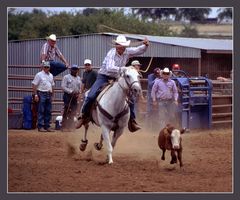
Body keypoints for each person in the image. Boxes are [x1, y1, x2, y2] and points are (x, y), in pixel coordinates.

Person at [76, 35, 149, 132]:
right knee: (90, 95)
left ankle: (132, 120)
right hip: (104, 76)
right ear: (116, 46)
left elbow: (139, 50)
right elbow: (109, 68)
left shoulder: (127, 52)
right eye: (120, 45)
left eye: (124, 46)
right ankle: (83, 116)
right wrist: (122, 69)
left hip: (117, 77)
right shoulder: (111, 53)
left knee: (130, 97)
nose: (122, 47)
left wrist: (145, 45)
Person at [32, 61, 55, 132]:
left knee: (48, 111)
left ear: (49, 68)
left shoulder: (51, 75)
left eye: (47, 67)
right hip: (41, 93)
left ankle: (47, 126)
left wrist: (52, 95)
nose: (46, 68)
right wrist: (35, 94)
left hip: (48, 93)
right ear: (42, 67)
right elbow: (34, 84)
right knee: (41, 110)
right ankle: (40, 126)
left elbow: (52, 85)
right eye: (45, 67)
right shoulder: (39, 75)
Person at [61, 64, 82, 130]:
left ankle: (70, 126)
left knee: (73, 111)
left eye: (76, 69)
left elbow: (80, 87)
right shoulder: (66, 77)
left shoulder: (78, 78)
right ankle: (64, 126)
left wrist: (78, 93)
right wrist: (70, 91)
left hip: (75, 97)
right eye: (73, 69)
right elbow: (63, 86)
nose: (74, 70)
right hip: (68, 96)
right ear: (71, 70)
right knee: (66, 110)